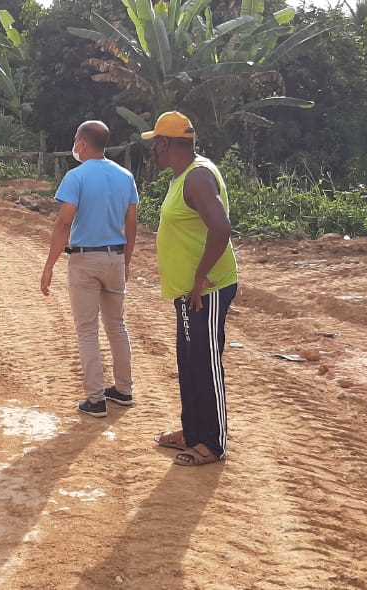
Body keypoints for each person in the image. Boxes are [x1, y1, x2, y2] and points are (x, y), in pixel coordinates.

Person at [145, 111, 239, 467]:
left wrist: (200, 278)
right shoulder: (182, 176)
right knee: (189, 361)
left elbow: (221, 229)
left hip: (208, 289)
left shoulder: (198, 176)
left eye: (156, 143)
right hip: (188, 292)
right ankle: (192, 432)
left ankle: (213, 444)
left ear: (167, 144)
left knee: (206, 361)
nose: (153, 150)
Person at [40, 121, 139, 418]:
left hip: (85, 260)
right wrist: (127, 261)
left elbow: (63, 223)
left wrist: (49, 266)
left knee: (87, 330)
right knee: (117, 326)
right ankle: (123, 389)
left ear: (82, 143)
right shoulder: (126, 176)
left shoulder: (76, 177)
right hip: (115, 258)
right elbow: (132, 223)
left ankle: (96, 399)